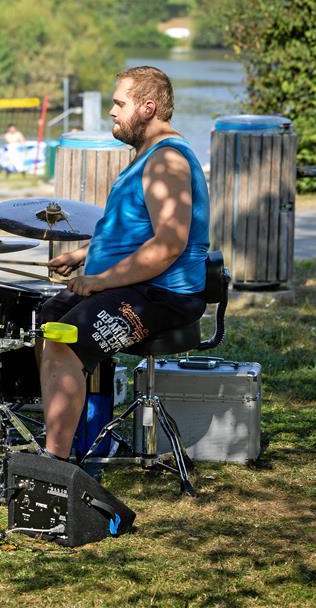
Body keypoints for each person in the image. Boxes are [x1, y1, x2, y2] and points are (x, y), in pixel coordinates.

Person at [39, 66, 210, 460]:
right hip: (134, 285)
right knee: (48, 320)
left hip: (162, 293)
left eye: (120, 103)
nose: (112, 112)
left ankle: (56, 463)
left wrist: (99, 281)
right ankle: (87, 434)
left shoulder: (167, 161)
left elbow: (168, 245)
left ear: (148, 108)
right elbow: (135, 231)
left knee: (65, 340)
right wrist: (83, 256)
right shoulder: (147, 157)